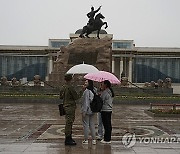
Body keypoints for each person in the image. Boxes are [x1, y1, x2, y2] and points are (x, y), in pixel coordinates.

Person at [60, 74, 81, 146]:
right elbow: (76, 97)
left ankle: (69, 137)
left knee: (68, 122)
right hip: (70, 107)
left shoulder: (63, 87)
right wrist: (82, 91)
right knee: (69, 123)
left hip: (65, 106)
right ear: (71, 79)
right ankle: (68, 139)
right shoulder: (70, 87)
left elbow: (60, 97)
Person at [81, 80, 97, 145]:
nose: (85, 83)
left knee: (86, 125)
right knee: (92, 124)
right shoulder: (94, 90)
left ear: (89, 83)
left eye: (86, 82)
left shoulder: (87, 91)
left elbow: (86, 103)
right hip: (93, 110)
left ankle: (86, 139)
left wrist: (84, 111)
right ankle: (94, 139)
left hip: (87, 110)